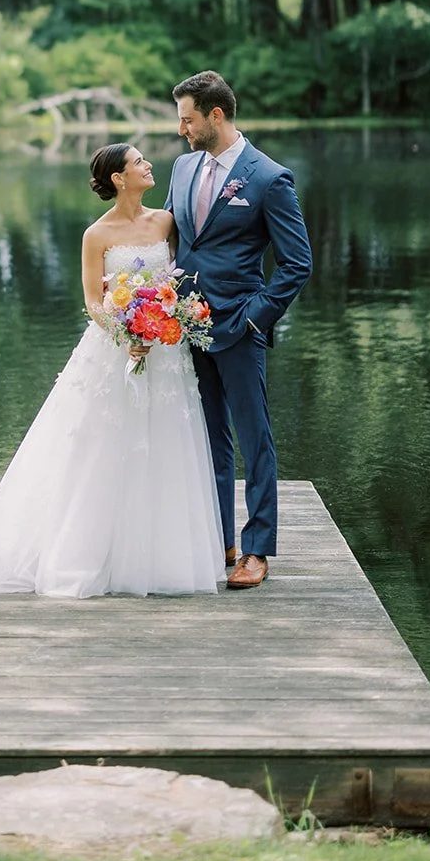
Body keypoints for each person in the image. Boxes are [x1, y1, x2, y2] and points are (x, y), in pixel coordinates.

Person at [0, 143, 225, 598]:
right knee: (101, 442)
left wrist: (168, 321)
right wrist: (127, 335)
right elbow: (91, 301)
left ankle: (164, 558)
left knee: (165, 442)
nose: (149, 166)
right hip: (116, 347)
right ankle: (85, 551)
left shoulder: (166, 222)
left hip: (165, 349)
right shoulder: (95, 235)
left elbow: (178, 279)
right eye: (139, 162)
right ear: (119, 178)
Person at [165, 71, 312, 590]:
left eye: (187, 118)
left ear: (215, 115)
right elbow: (173, 239)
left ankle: (257, 549)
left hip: (239, 325)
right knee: (209, 439)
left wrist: (256, 316)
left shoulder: (270, 179)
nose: (181, 128)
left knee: (255, 439)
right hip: (187, 326)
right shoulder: (182, 168)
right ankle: (220, 538)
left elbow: (297, 264)